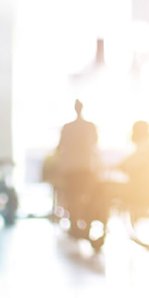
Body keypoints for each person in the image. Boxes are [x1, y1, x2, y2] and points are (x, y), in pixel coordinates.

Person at [54, 100, 102, 237]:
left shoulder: (67, 127)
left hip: (70, 167)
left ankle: (75, 224)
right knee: (84, 196)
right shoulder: (90, 126)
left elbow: (60, 147)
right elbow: (94, 144)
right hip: (86, 167)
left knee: (72, 196)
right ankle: (85, 222)